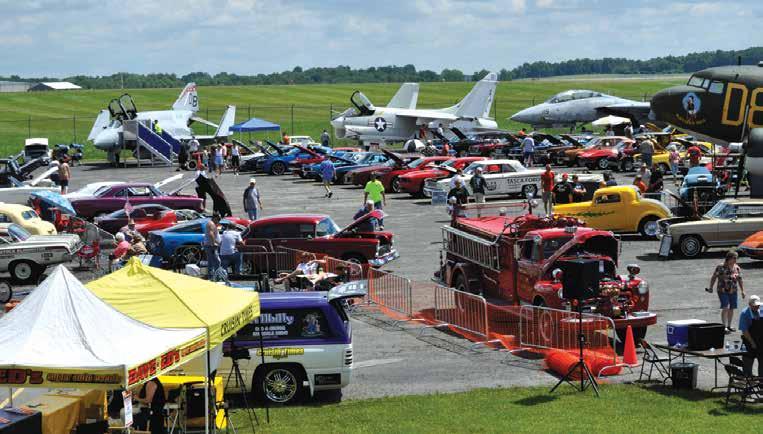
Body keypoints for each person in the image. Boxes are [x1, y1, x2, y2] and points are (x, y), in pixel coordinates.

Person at [708, 250, 745, 333]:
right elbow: (714, 277)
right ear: (729, 258)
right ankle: (724, 326)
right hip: (722, 290)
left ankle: (729, 326)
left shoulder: (737, 268)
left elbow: (740, 279)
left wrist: (743, 291)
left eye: (736, 258)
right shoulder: (720, 267)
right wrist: (711, 287)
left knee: (732, 308)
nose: (735, 260)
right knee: (725, 307)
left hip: (733, 290)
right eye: (734, 258)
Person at [738, 295, 762, 377]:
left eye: (758, 305)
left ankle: (761, 382)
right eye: (754, 306)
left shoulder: (762, 310)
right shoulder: (745, 313)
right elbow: (744, 331)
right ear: (749, 305)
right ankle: (748, 381)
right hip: (748, 341)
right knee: (747, 366)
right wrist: (752, 343)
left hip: (761, 341)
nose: (757, 307)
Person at [203, 214, 222, 279]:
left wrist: (217, 242)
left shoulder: (212, 224)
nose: (219, 221)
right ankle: (216, 276)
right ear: (215, 218)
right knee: (217, 261)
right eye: (218, 219)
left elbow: (213, 234)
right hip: (211, 246)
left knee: (211, 262)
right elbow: (211, 234)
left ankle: (212, 276)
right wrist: (213, 243)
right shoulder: (211, 224)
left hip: (210, 245)